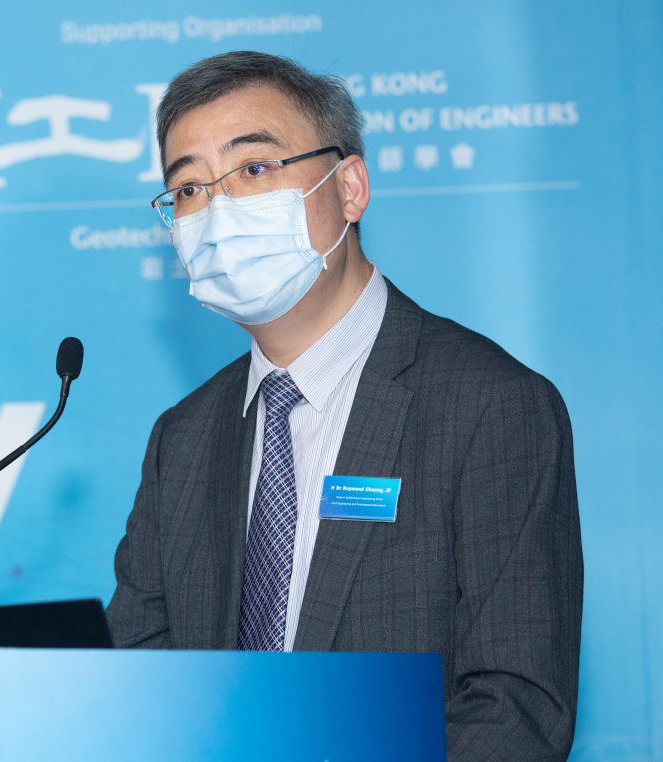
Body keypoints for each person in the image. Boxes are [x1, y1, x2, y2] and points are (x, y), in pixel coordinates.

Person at [105, 51, 582, 759]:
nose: (219, 210)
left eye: (254, 169)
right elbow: (140, 683)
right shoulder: (183, 438)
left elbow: (517, 706)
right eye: (190, 189)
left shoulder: (489, 405)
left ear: (350, 187)